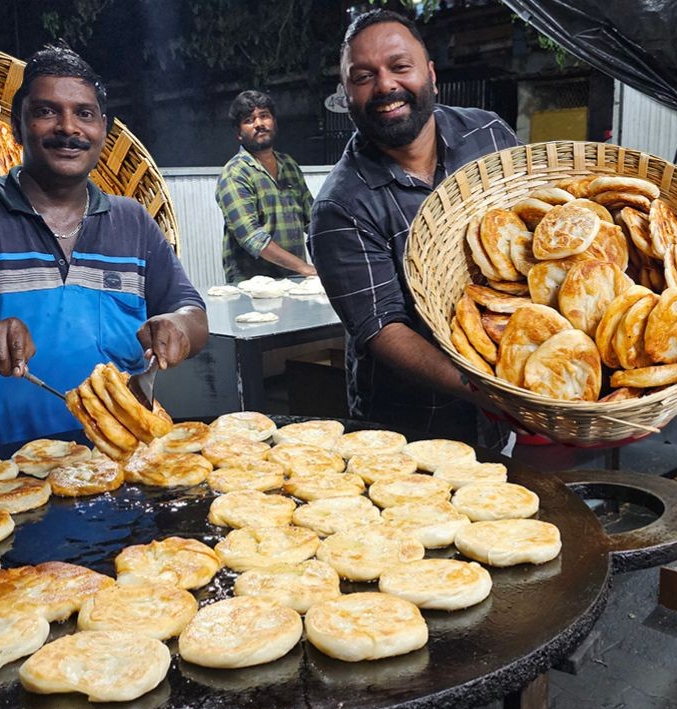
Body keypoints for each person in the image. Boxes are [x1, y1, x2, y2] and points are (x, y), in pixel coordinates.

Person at [0, 45, 207, 453]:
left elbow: (192, 312)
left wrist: (176, 326)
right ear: (17, 126)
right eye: (46, 111)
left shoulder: (133, 221)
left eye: (84, 114)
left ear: (103, 129)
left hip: (121, 469)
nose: (68, 127)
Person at [307, 9, 518, 443]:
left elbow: (531, 234)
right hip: (409, 433)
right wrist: (491, 390)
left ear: (431, 75)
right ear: (346, 93)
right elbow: (384, 330)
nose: (386, 85)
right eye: (364, 76)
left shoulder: (489, 137)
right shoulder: (340, 206)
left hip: (504, 404)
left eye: (400, 67)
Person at [215, 90, 316, 281]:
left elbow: (313, 221)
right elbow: (252, 237)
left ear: (274, 122)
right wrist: (305, 268)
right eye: (249, 120)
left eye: (264, 116)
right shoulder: (235, 173)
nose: (259, 124)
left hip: (294, 282)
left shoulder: (289, 165)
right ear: (238, 133)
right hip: (252, 290)